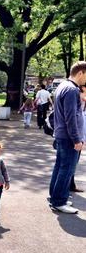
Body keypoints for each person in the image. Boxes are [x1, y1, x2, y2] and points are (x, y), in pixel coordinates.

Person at [49, 61, 86, 214]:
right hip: (68, 137)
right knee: (67, 169)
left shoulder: (63, 86)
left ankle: (56, 197)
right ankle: (59, 201)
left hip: (62, 135)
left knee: (60, 167)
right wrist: (77, 139)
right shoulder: (71, 90)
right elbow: (71, 117)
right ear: (81, 73)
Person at [69, 84, 86, 193]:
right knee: (69, 164)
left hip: (80, 137)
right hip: (73, 137)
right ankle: (64, 190)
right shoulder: (75, 102)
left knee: (73, 163)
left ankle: (70, 185)